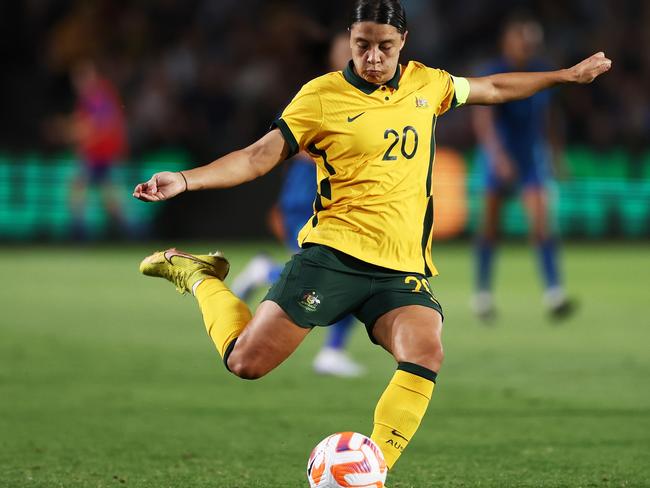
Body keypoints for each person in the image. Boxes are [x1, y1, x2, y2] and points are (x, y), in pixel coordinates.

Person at [133, 0, 610, 475]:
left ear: (403, 43)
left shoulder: (429, 84)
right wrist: (185, 178)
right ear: (349, 41)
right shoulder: (321, 96)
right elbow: (258, 156)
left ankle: (372, 472)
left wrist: (565, 77)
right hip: (332, 257)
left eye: (385, 46)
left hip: (400, 269)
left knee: (426, 351)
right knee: (245, 363)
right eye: (363, 46)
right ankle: (197, 274)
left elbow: (495, 87)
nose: (374, 57)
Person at [230, 33, 364, 378]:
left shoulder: (369, 98)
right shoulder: (318, 94)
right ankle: (268, 275)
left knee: (356, 271)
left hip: (340, 204)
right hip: (310, 198)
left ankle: (332, 351)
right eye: (351, 48)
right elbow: (288, 143)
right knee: (338, 273)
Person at [472, 15, 575, 322]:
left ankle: (554, 293)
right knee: (490, 228)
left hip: (530, 158)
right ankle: (482, 294)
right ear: (508, 40)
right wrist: (497, 156)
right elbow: (483, 119)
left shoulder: (543, 72)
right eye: (523, 38)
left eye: (534, 39)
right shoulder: (492, 73)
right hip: (499, 158)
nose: (529, 44)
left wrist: (556, 154)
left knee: (541, 223)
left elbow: (548, 117)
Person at [68, 60, 128, 239]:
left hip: (102, 153)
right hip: (98, 153)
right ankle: (124, 232)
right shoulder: (94, 96)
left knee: (104, 196)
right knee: (102, 194)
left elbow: (98, 125)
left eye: (81, 77)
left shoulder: (98, 95)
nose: (77, 83)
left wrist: (76, 134)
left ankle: (82, 233)